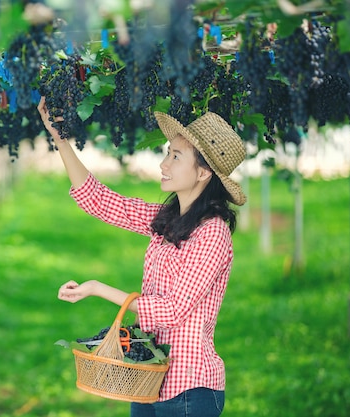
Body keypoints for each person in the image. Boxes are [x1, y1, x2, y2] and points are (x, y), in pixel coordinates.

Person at [38, 97, 247, 417]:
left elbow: (172, 310)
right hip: (149, 378)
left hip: (189, 389)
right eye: (167, 153)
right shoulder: (169, 220)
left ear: (204, 172)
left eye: (176, 156)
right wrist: (60, 140)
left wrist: (97, 288)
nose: (164, 164)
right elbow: (102, 202)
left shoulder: (212, 234)